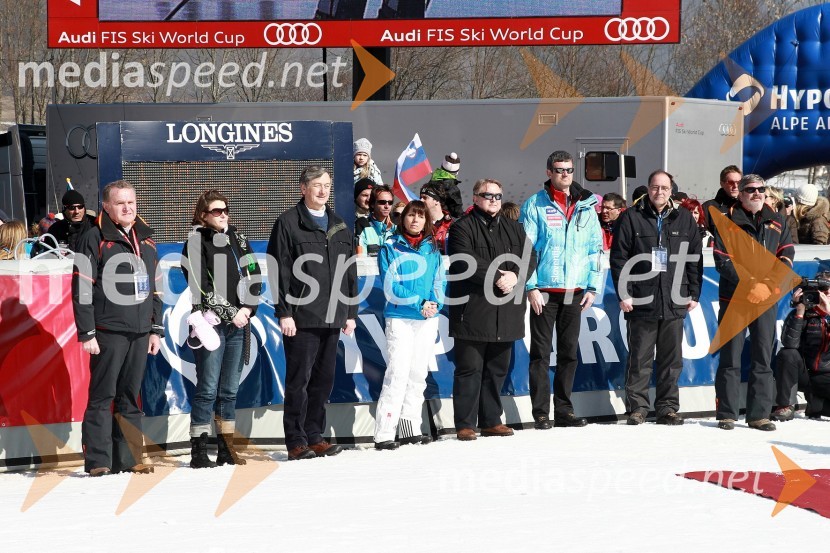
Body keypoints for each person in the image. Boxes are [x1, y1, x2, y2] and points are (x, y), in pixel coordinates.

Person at [72, 180, 163, 475]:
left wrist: (155, 328)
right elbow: (82, 287)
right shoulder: (93, 237)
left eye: (132, 202)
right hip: (108, 330)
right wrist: (87, 333)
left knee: (130, 395)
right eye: (120, 203)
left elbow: (156, 288)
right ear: (107, 207)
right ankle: (98, 460)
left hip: (139, 330)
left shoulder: (146, 239)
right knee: (103, 395)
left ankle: (129, 456)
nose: (128, 208)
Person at [266, 166, 357, 460]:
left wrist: (351, 312)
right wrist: (284, 312)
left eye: (327, 185)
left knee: (323, 380)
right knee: (299, 381)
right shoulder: (288, 223)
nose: (323, 190)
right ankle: (295, 440)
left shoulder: (340, 225)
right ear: (303, 188)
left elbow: (349, 273)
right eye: (316, 185)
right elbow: (277, 270)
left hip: (334, 315)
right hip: (302, 316)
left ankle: (315, 435)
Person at [610, 170, 703, 425]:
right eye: (654, 187)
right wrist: (624, 293)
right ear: (648, 189)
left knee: (671, 360)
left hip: (675, 299)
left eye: (664, 187)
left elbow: (694, 257)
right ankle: (638, 407)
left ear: (671, 190)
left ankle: (667, 408)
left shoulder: (684, 218)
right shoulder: (631, 217)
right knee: (640, 358)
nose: (659, 192)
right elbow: (618, 259)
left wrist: (694, 292)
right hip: (641, 299)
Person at [448, 178, 537, 440]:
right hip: (473, 311)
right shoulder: (462, 227)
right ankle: (465, 423)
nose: (494, 200)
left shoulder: (514, 228)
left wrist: (516, 276)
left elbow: (530, 256)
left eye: (498, 196)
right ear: (475, 198)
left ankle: (490, 420)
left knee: (497, 370)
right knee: (469, 370)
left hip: (506, 311)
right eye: (488, 195)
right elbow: (464, 259)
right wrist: (499, 275)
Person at [520, 150, 603, 430]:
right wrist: (529, 286)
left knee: (569, 353)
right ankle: (541, 412)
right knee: (541, 354)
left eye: (568, 169)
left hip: (576, 290)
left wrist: (593, 286)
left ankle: (565, 410)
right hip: (544, 289)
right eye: (559, 170)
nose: (564, 174)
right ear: (548, 172)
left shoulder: (587, 205)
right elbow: (526, 250)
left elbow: (595, 248)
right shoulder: (535, 204)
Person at [181, 190, 262, 468]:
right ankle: (199, 451)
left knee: (229, 390)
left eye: (225, 209)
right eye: (216, 211)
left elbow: (255, 274)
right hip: (210, 324)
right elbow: (200, 286)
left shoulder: (238, 238)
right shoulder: (194, 241)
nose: (223, 214)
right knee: (207, 388)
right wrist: (230, 313)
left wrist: (248, 309)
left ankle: (227, 448)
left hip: (240, 322)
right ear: (202, 215)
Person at [712, 174, 795, 431]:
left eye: (761, 189)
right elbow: (722, 260)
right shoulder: (726, 220)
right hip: (735, 298)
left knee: (763, 357)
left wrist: (767, 286)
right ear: (740, 193)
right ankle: (727, 413)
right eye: (750, 189)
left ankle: (759, 414)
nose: (757, 193)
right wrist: (752, 284)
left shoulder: (777, 220)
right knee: (730, 358)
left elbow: (786, 255)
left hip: (766, 299)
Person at [374, 200, 446, 450]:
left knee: (418, 374)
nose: (415, 220)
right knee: (398, 372)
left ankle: (410, 428)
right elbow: (390, 286)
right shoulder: (390, 247)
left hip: (427, 319)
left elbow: (439, 281)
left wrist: (435, 303)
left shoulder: (432, 249)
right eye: (411, 215)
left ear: (426, 221)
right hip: (400, 317)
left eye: (420, 216)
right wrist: (420, 303)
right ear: (403, 218)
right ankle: (384, 432)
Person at [772, 277, 830, 421]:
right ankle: (786, 406)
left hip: (826, 375)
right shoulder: (801, 313)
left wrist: (829, 314)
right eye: (823, 291)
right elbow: (790, 344)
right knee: (787, 354)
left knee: (819, 405)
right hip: (804, 373)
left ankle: (816, 404)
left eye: (829, 291)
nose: (826, 294)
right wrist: (799, 312)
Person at [32, 189, 95, 255]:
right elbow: (48, 255)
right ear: (64, 209)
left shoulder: (94, 225)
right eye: (72, 208)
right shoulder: (55, 229)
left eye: (80, 207)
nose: (77, 211)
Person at [355, 185, 396, 255]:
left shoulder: (396, 228)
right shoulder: (363, 225)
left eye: (390, 202)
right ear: (372, 204)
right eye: (382, 202)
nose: (387, 206)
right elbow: (361, 259)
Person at [703, 165, 741, 231]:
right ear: (722, 184)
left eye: (738, 182)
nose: (735, 186)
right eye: (731, 182)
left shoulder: (746, 206)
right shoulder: (708, 207)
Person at [420, 181, 453, 252]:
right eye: (421, 197)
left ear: (437, 201)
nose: (421, 200)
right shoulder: (419, 223)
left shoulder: (453, 224)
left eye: (425, 197)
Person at [429, 153, 464, 218]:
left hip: (428, 216)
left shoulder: (433, 179)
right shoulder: (453, 189)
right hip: (442, 221)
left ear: (442, 166)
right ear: (457, 172)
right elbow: (457, 212)